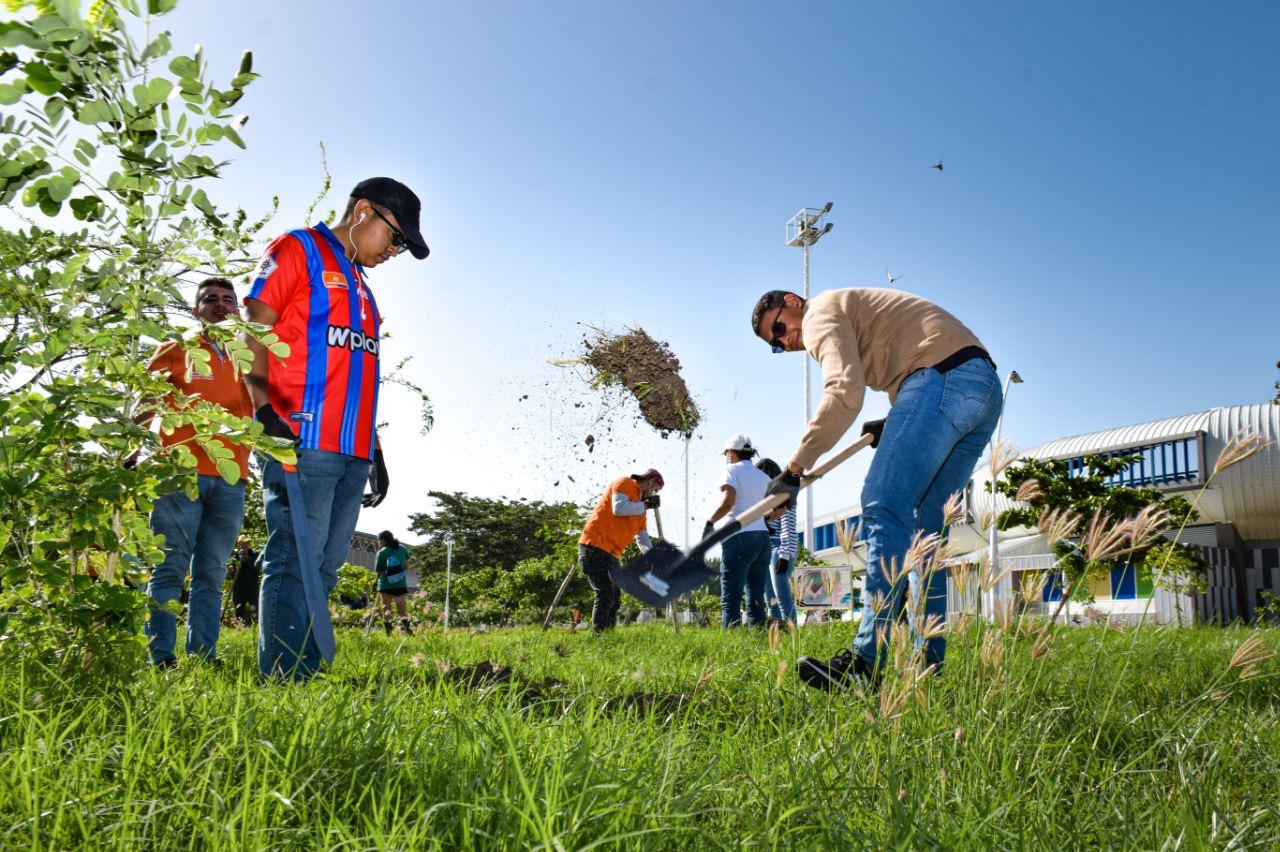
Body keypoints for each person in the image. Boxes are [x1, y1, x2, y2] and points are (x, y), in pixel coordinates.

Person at [752, 287, 1002, 689]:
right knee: (925, 533)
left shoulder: (819, 313)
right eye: (776, 345)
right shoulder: (853, 309)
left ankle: (865, 662)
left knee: (883, 503)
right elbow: (906, 352)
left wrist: (794, 469)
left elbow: (844, 389)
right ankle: (929, 666)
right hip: (981, 388)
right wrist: (897, 416)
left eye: (779, 328)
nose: (785, 340)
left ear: (793, 301)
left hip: (940, 378)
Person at [243, 177, 430, 680]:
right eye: (395, 238)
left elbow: (358, 368)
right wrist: (262, 408)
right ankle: (284, 679)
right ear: (364, 212)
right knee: (293, 558)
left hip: (351, 451)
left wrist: (375, 451)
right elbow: (254, 324)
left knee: (325, 566)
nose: (395, 251)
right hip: (300, 436)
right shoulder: (299, 248)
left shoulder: (363, 288)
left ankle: (305, 671)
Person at [139, 277, 253, 667]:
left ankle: (204, 656)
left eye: (228, 300)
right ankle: (161, 658)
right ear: (195, 310)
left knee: (212, 572)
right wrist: (128, 450)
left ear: (238, 309)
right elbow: (144, 404)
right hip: (179, 475)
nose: (221, 306)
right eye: (210, 300)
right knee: (169, 566)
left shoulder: (250, 357)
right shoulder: (176, 350)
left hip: (232, 479)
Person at [578, 469, 663, 632]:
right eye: (655, 490)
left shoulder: (641, 510)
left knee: (615, 598)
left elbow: (642, 537)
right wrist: (644, 505)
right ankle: (599, 635)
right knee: (605, 591)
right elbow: (619, 508)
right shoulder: (625, 483)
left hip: (611, 555)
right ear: (649, 482)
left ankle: (607, 635)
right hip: (594, 547)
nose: (654, 495)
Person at [703, 435, 771, 628]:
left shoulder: (730, 470)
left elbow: (728, 501)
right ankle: (758, 643)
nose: (726, 457)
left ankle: (729, 648)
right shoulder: (764, 477)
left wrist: (710, 522)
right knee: (756, 597)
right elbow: (770, 508)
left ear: (731, 452)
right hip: (763, 538)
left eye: (726, 453)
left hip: (739, 537)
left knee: (730, 599)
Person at [755, 458, 798, 626]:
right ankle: (777, 636)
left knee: (782, 598)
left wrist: (785, 554)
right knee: (770, 599)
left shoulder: (784, 495)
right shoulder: (765, 500)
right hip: (766, 548)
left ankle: (793, 635)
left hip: (779, 548)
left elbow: (788, 526)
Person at [374, 530, 413, 635]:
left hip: (385, 585)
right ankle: (408, 629)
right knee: (402, 610)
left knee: (386, 608)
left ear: (383, 540)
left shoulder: (382, 553)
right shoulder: (403, 548)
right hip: (400, 584)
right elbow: (406, 566)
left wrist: (375, 583)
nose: (378, 543)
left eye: (379, 540)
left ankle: (388, 632)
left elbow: (378, 571)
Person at [231, 536, 260, 624]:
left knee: (254, 607)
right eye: (243, 543)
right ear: (239, 544)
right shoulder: (235, 557)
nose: (245, 545)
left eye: (247, 543)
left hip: (252, 586)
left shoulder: (255, 554)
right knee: (239, 607)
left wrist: (247, 558)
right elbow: (232, 573)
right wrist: (231, 569)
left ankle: (254, 624)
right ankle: (239, 625)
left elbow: (257, 568)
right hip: (239, 586)